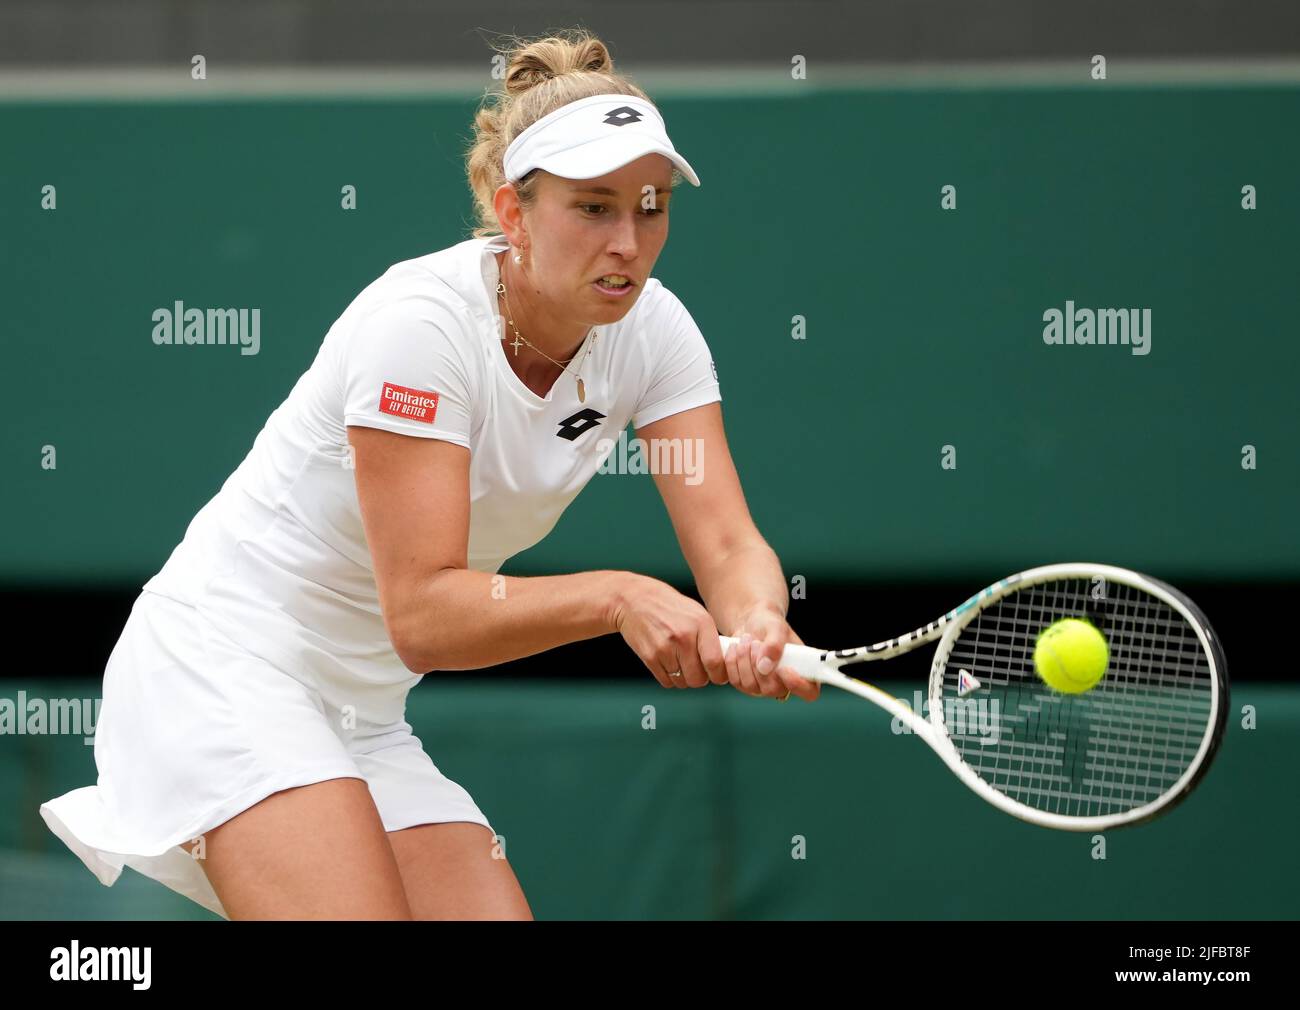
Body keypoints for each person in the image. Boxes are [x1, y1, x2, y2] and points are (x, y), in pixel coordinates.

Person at [39, 30, 818, 921]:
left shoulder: (658, 333)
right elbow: (424, 615)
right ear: (513, 214)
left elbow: (725, 541)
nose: (630, 241)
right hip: (222, 667)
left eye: (651, 207)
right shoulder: (418, 328)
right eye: (594, 209)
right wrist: (615, 597)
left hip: (360, 710)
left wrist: (756, 618)